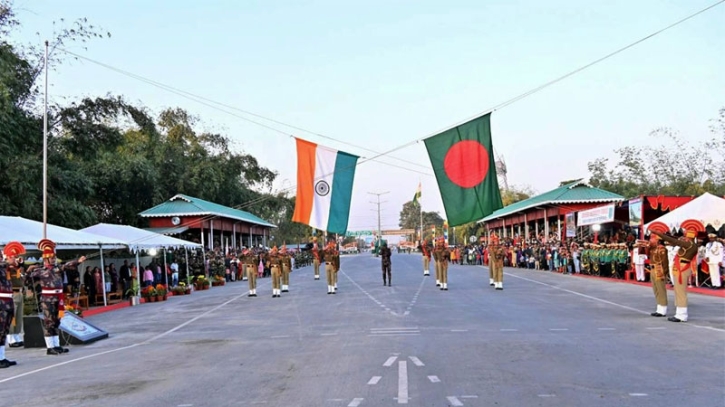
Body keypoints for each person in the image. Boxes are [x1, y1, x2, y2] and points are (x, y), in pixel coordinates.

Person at [26, 239, 86, 355]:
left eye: (54, 257)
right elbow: (26, 280)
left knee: (57, 322)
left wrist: (78, 261)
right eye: (51, 258)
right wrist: (28, 271)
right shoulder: (40, 271)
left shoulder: (57, 268)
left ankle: (56, 345)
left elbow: (67, 265)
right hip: (47, 300)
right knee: (49, 323)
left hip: (58, 299)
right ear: (46, 259)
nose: (54, 259)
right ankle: (50, 347)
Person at [651, 230, 698, 322]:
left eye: (685, 236)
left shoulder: (690, 245)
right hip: (680, 267)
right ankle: (679, 313)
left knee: (680, 292)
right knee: (678, 290)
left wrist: (660, 234)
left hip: (682, 268)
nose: (684, 238)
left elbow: (675, 241)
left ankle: (682, 315)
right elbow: (674, 243)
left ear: (689, 237)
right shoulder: (690, 245)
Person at [1, 242, 25, 368]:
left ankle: (3, 356)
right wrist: (10, 264)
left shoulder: (14, 268)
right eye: (13, 257)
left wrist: (19, 267)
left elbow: (21, 279)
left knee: (15, 319)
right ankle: (11, 339)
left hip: (14, 295)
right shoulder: (5, 267)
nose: (15, 259)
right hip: (6, 298)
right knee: (6, 323)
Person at [639, 236, 668, 317]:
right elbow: (643, 254)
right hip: (652, 269)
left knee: (660, 289)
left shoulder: (662, 249)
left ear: (657, 240)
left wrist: (664, 273)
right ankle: (659, 308)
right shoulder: (652, 248)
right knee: (655, 289)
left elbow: (665, 262)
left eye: (652, 239)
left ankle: (663, 309)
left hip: (659, 270)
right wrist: (643, 246)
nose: (650, 241)